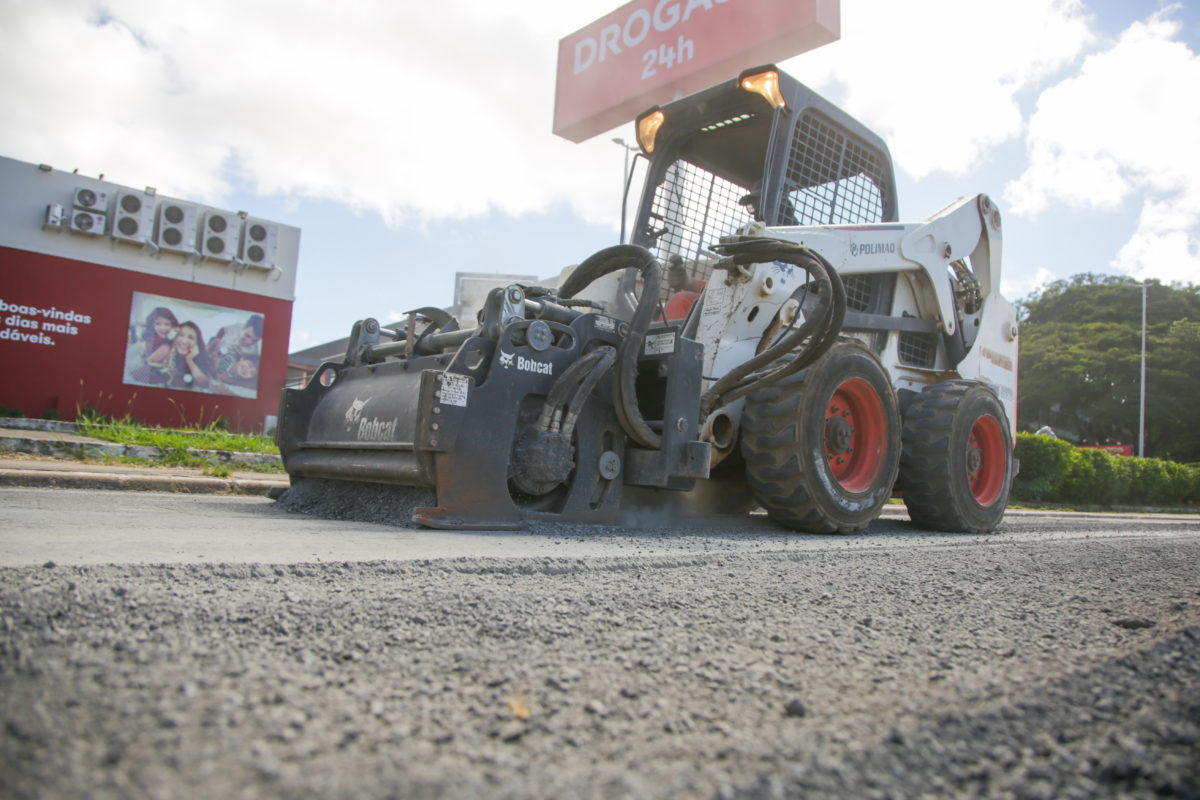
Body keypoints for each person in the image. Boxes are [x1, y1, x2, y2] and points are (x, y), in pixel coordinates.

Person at [130, 306, 178, 385]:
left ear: (173, 325)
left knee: (165, 348)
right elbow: (147, 357)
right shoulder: (151, 339)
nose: (163, 328)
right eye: (158, 324)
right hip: (149, 369)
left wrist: (172, 336)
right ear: (152, 325)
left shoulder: (169, 344)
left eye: (167, 324)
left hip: (164, 371)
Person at [168, 321, 215, 390]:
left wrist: (189, 360)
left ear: (196, 344)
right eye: (181, 335)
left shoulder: (199, 359)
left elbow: (205, 384)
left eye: (191, 338)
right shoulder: (166, 352)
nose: (184, 341)